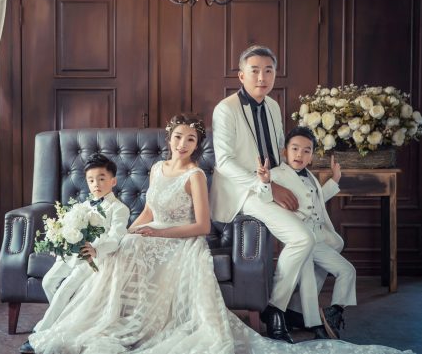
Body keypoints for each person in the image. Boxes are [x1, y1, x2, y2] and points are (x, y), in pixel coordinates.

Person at [26, 113, 412, 354]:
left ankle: (147, 326)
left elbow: (202, 226)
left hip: (183, 241)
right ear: (169, 139)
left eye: (190, 139)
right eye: (178, 137)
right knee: (118, 254)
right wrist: (132, 232)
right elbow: (149, 211)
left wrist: (159, 236)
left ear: (197, 146)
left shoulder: (196, 175)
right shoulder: (157, 169)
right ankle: (100, 323)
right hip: (153, 231)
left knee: (146, 257)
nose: (182, 144)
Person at [210, 45, 315, 343]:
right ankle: (275, 308)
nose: (262, 77)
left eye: (268, 70)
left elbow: (279, 153)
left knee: (312, 231)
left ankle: (304, 310)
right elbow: (224, 162)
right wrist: (268, 187)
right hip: (242, 192)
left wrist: (292, 178)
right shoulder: (225, 109)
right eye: (254, 70)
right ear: (241, 75)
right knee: (303, 238)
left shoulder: (273, 106)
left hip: (273, 183)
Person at [19, 153, 130, 354]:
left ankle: (40, 333)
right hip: (71, 255)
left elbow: (116, 237)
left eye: (101, 178)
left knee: (66, 288)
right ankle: (65, 320)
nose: (96, 184)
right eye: (91, 180)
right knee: (48, 282)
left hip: (94, 258)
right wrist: (60, 242)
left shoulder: (119, 208)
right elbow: (69, 228)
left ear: (113, 181)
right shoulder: (82, 206)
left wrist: (97, 250)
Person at [256, 126, 357, 340]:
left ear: (311, 157)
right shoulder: (276, 175)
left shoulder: (310, 176)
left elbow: (315, 200)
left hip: (319, 240)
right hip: (301, 239)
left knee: (347, 271)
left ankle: (332, 313)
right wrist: (265, 183)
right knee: (309, 281)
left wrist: (335, 180)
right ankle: (315, 325)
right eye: (295, 149)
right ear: (285, 151)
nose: (299, 155)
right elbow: (263, 199)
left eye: (306, 151)